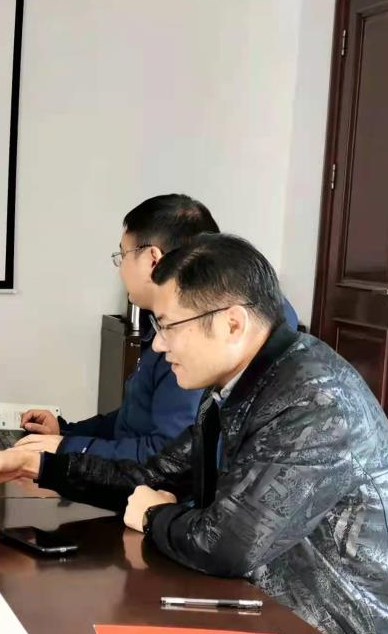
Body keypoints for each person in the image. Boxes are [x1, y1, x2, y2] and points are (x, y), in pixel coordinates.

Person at [0, 234, 388, 634]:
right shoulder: (237, 384)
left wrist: (154, 516)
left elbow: (229, 544)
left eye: (168, 327)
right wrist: (41, 466)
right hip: (279, 631)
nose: (159, 347)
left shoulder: (315, 402)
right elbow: (155, 475)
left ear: (232, 324)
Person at [15, 194, 298, 462]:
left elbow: (170, 455)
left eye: (122, 254)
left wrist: (65, 449)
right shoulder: (181, 326)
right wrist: (67, 434)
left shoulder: (199, 338)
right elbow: (138, 422)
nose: (161, 344)